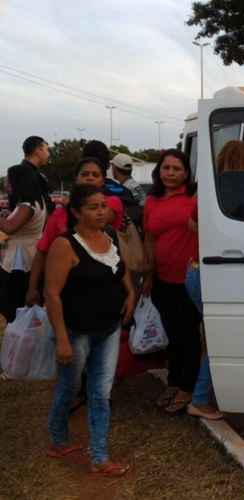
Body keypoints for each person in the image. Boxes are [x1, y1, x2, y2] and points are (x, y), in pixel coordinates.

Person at [45, 184, 136, 476]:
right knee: (70, 388)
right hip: (77, 331)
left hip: (108, 329)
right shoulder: (65, 245)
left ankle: (99, 457)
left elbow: (120, 270)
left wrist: (130, 294)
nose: (101, 211)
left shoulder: (109, 237)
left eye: (104, 206)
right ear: (76, 212)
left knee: (100, 393)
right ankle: (58, 439)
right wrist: (61, 338)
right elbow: (52, 293)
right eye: (93, 207)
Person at [143, 149, 201, 414]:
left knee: (188, 335)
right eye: (166, 168)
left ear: (186, 173)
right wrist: (148, 273)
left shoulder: (194, 198)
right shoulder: (152, 200)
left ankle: (187, 387)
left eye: (176, 169)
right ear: (159, 170)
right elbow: (149, 238)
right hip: (161, 279)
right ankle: (174, 381)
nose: (170, 173)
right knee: (173, 335)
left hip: (188, 280)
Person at [25, 158, 124, 306]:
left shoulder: (111, 204)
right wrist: (32, 288)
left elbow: (115, 254)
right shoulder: (59, 215)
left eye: (95, 175)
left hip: (107, 288)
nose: (90, 177)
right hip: (70, 292)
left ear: (103, 181)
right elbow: (42, 251)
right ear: (76, 179)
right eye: (85, 174)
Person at [0, 167, 47, 322]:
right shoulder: (35, 202)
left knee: (13, 303)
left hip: (20, 261)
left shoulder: (27, 205)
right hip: (28, 255)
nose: (6, 184)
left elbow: (10, 228)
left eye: (9, 180)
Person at [184, 258, 223, 420]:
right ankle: (200, 400)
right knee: (218, 344)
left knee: (213, 342)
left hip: (199, 271)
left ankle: (203, 397)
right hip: (205, 275)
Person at [7, 136, 53, 215]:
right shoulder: (27, 174)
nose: (48, 154)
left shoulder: (16, 171)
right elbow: (33, 207)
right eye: (47, 150)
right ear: (38, 150)